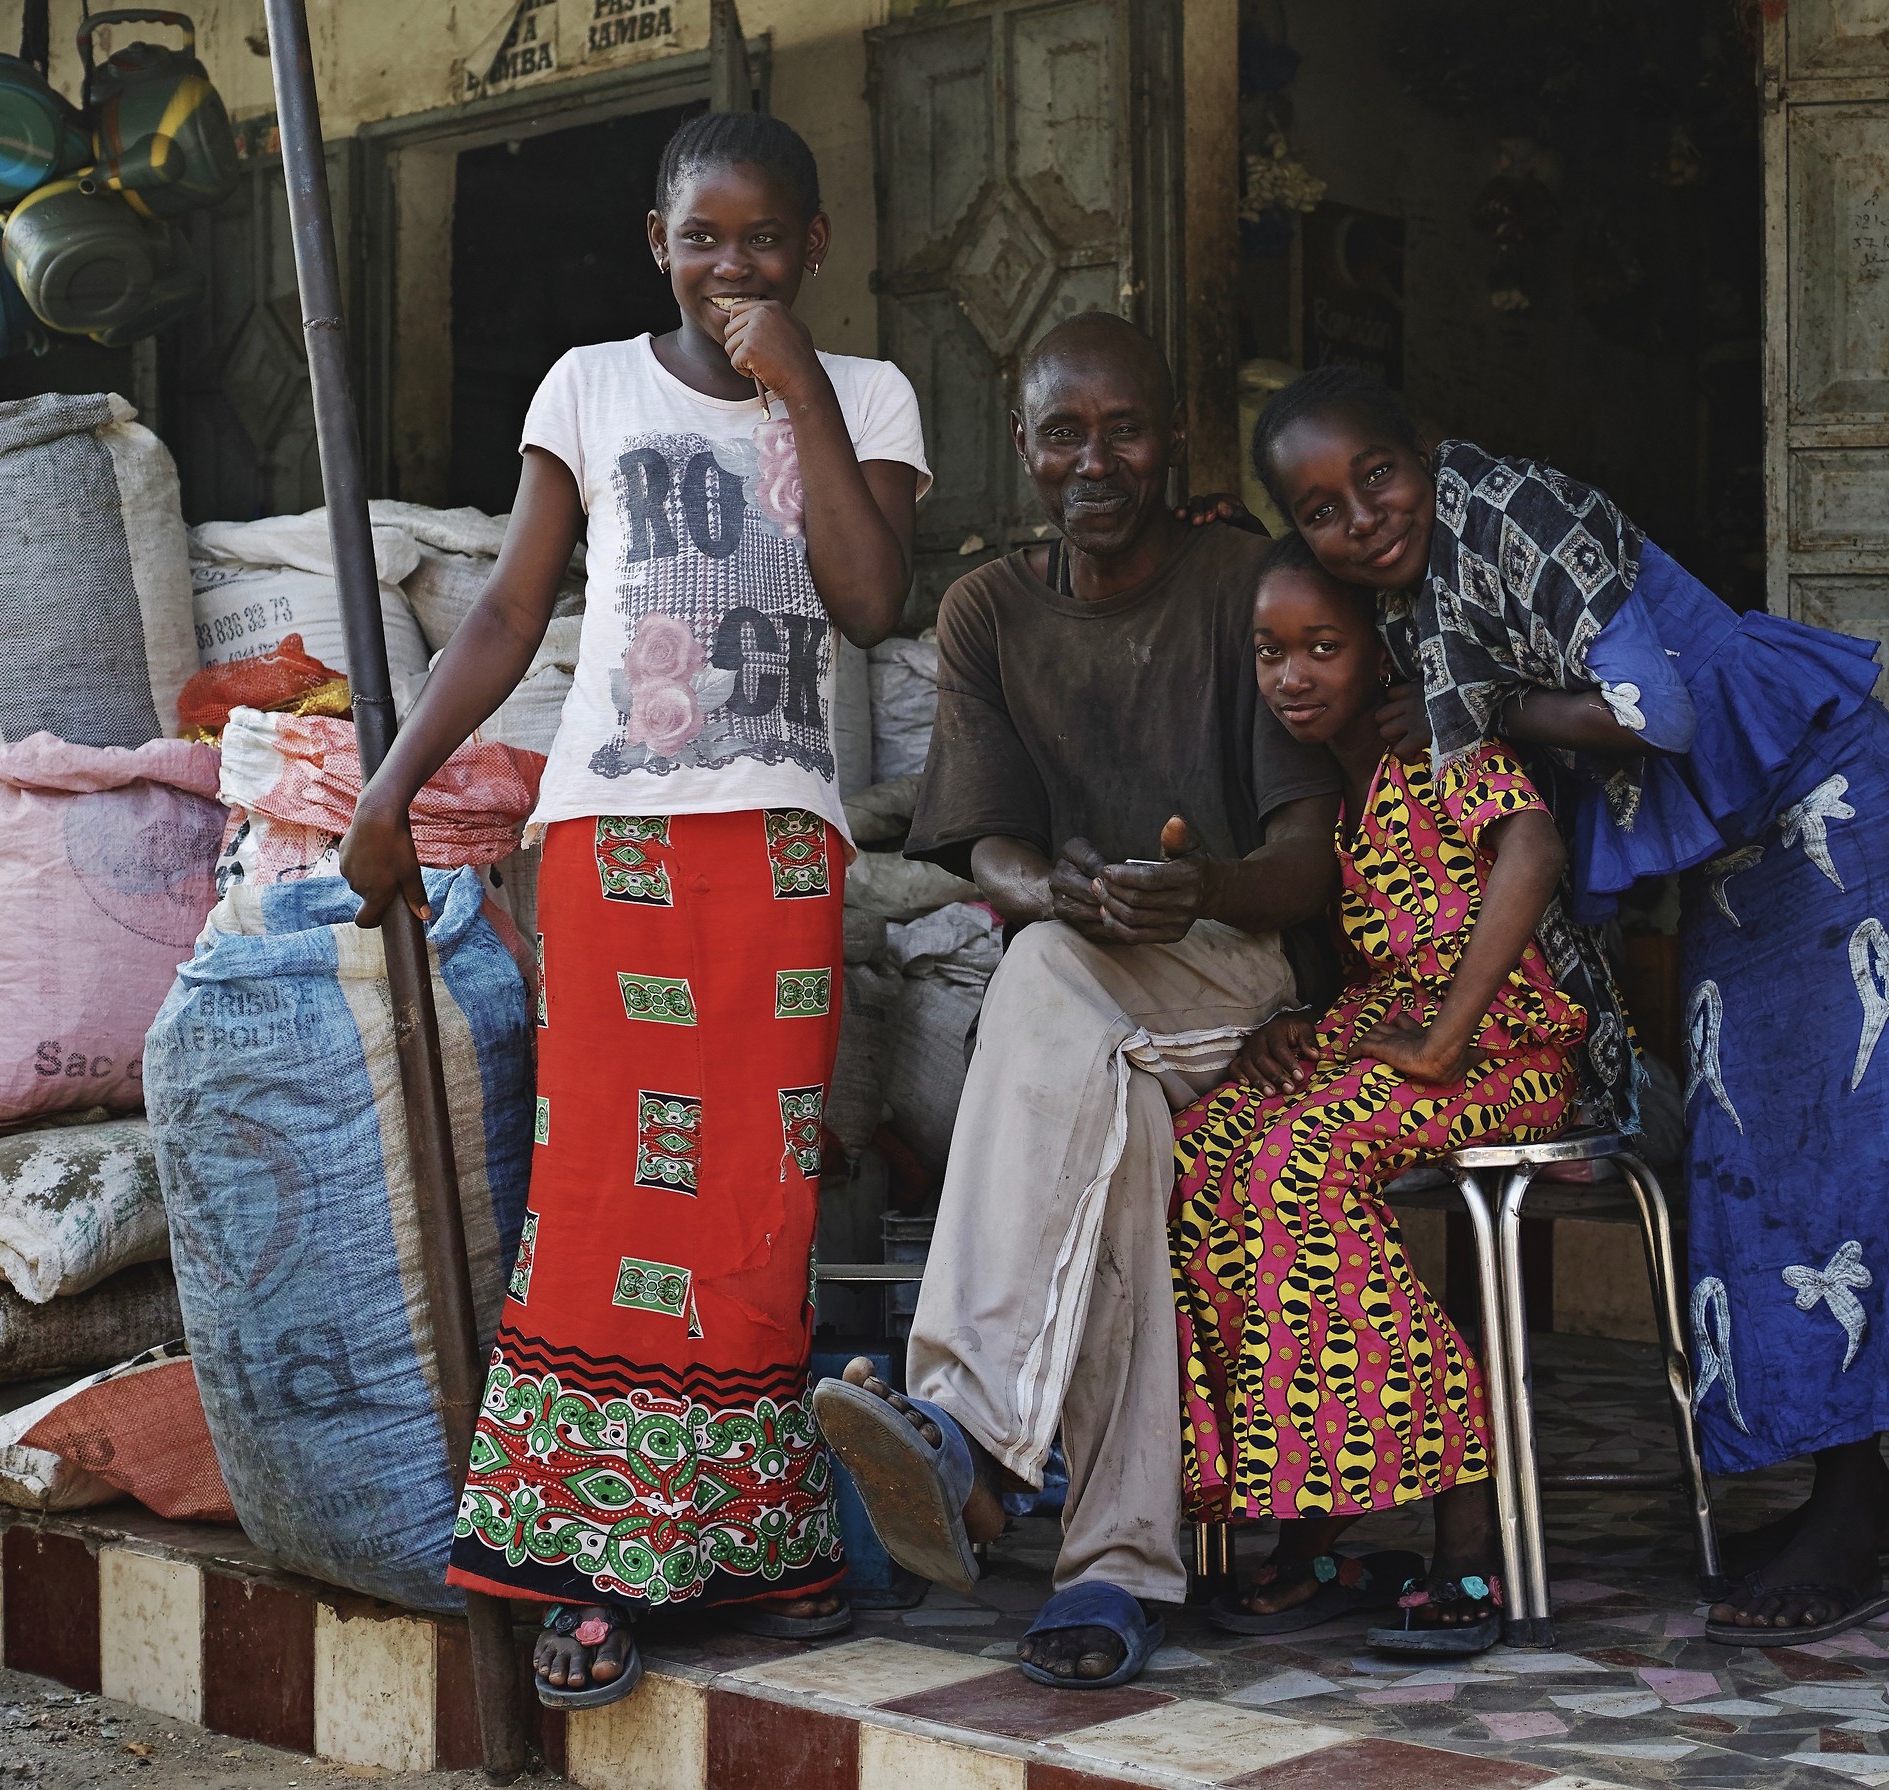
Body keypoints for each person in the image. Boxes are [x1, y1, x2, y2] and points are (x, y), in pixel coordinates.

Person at [1248, 366, 1889, 1646]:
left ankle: (1844, 1504)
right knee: (1752, 1145)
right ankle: (1858, 1491)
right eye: (1321, 510)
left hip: (1819, 797)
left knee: (1839, 1131)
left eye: (1377, 475)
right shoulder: (1414, 590)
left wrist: (1481, 707)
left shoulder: (1513, 512)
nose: (1363, 518)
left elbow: (1661, 711)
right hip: (1736, 843)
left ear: (1424, 447)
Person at [339, 111, 928, 1707]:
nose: (728, 266)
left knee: (755, 1192)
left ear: (813, 249)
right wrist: (391, 790)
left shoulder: (865, 394)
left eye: (760, 240)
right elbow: (512, 610)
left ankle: (745, 1541)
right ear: (654, 244)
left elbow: (876, 600)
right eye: (699, 237)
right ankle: (590, 1563)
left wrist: (795, 383)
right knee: (604, 1185)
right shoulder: (588, 387)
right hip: (614, 846)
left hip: (782, 852)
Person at [813, 311, 1342, 1690]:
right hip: (1096, 1005)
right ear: (1026, 449)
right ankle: (1113, 1569)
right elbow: (986, 843)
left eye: (1124, 430)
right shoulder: (988, 608)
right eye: (1064, 433)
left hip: (1239, 980)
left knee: (1045, 983)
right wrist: (1054, 891)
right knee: (1113, 1132)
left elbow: (1306, 863)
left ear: (1173, 442)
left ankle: (966, 1427)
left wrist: (1201, 883)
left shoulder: (1246, 586)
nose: (1093, 460)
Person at [1171, 535, 1584, 1655]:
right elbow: (1375, 964)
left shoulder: (1443, 744)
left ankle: (1465, 1535)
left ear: (1380, 652)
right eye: (1270, 652)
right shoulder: (1325, 797)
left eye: (1322, 647)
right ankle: (1321, 1524)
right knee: (1198, 1156)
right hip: (1391, 1028)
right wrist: (1296, 1030)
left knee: (1292, 1165)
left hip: (1501, 1040)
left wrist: (1447, 1036)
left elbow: (1533, 846)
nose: (1291, 675)